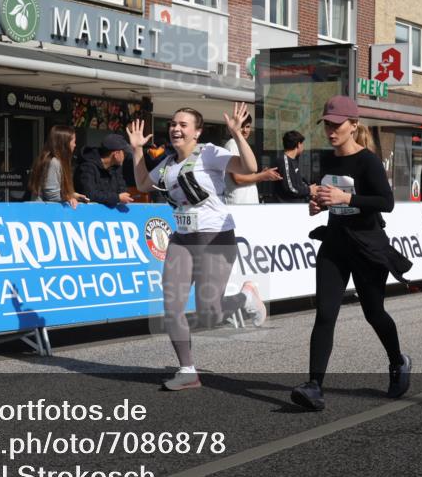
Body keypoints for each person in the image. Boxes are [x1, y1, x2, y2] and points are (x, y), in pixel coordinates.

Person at [127, 103, 266, 391]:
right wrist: (137, 149)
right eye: (173, 124)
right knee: (172, 305)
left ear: (197, 132)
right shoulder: (167, 164)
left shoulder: (210, 153)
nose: (176, 128)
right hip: (182, 240)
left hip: (215, 238)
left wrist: (239, 135)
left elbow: (250, 167)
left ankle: (246, 298)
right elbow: (141, 183)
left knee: (210, 313)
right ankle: (187, 370)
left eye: (183, 125)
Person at [290, 96, 413, 412]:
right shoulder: (326, 160)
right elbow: (327, 198)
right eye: (327, 125)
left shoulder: (367, 161)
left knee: (374, 313)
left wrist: (347, 196)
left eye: (337, 125)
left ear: (353, 125)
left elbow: (386, 202)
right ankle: (314, 386)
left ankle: (398, 361)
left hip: (367, 246)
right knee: (325, 313)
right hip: (335, 244)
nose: (331, 131)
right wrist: (318, 205)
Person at [223, 114, 281, 203]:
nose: (245, 130)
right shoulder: (232, 144)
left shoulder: (240, 145)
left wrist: (262, 175)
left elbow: (244, 177)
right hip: (239, 204)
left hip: (246, 204)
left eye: (248, 126)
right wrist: (262, 176)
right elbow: (238, 179)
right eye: (242, 126)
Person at [28, 125, 88, 207]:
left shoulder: (52, 160)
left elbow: (55, 190)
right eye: (73, 142)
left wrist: (73, 195)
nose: (75, 145)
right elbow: (51, 194)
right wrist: (69, 197)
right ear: (65, 143)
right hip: (44, 212)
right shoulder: (54, 162)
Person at [75, 134, 135, 207]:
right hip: (87, 214)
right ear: (116, 154)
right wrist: (117, 198)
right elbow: (89, 194)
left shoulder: (116, 167)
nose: (125, 156)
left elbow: (121, 189)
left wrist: (123, 196)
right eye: (124, 153)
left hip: (110, 214)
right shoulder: (87, 167)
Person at [274, 130, 317, 203]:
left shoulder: (293, 160)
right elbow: (290, 188)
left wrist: (310, 188)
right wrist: (309, 190)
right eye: (302, 144)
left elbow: (298, 183)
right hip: (288, 208)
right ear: (299, 144)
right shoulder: (284, 161)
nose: (303, 147)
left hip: (297, 206)